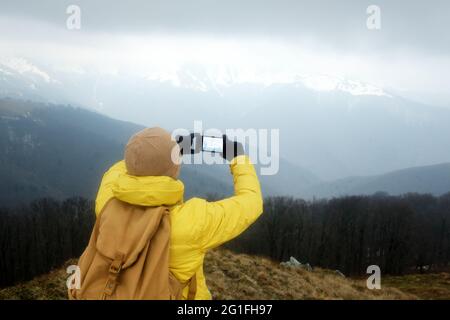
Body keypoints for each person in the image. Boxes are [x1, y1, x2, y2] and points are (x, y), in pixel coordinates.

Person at [79, 127, 263, 300]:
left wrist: (154, 153)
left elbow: (123, 168)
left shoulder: (107, 202)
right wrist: (237, 156)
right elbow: (252, 202)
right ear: (174, 168)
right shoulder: (193, 221)